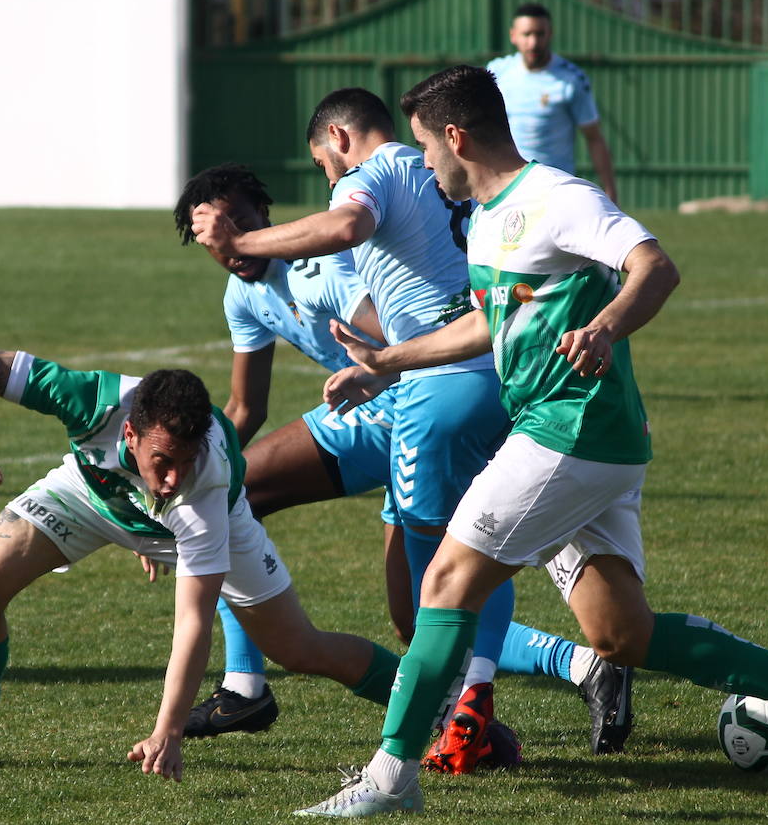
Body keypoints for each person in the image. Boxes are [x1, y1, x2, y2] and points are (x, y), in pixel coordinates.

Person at [295, 64, 768, 816]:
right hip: (588, 438)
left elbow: (654, 267)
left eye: (426, 147)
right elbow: (490, 322)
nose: (423, 164)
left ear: (457, 138)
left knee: (445, 582)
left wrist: (603, 326)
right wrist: (389, 362)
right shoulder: (487, 217)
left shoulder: (558, 198)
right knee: (620, 634)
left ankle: (390, 777)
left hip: (570, 431)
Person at [176, 163, 633, 759]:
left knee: (244, 492)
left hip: (416, 404)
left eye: (240, 222)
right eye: (214, 235)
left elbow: (397, 341)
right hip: (386, 412)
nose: (232, 242)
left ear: (265, 216)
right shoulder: (242, 295)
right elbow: (244, 407)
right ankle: (580, 666)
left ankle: (249, 687)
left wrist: (204, 486)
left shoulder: (317, 268)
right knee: (414, 615)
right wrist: (188, 482)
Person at [190, 88, 527, 775]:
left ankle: (422, 744)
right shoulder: (430, 177)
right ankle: (526, 686)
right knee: (428, 593)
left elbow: (346, 230)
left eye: (326, 167)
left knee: (447, 572)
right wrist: (377, 370)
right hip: (451, 374)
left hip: (434, 391)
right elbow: (246, 404)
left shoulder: (367, 186)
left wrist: (239, 240)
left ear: (339, 139)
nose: (332, 183)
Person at [0, 349, 402, 779]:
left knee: (300, 648)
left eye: (185, 459)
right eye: (163, 459)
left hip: (203, 526)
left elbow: (193, 622)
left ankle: (434, 704)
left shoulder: (203, 488)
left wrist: (168, 731)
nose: (173, 477)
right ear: (130, 432)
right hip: (92, 494)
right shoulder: (92, 400)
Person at [487, 2, 619, 204]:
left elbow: (594, 138)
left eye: (540, 34)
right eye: (526, 34)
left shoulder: (571, 79)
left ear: (550, 34)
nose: (533, 42)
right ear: (513, 36)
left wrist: (610, 192)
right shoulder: (497, 73)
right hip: (508, 188)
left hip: (554, 190)